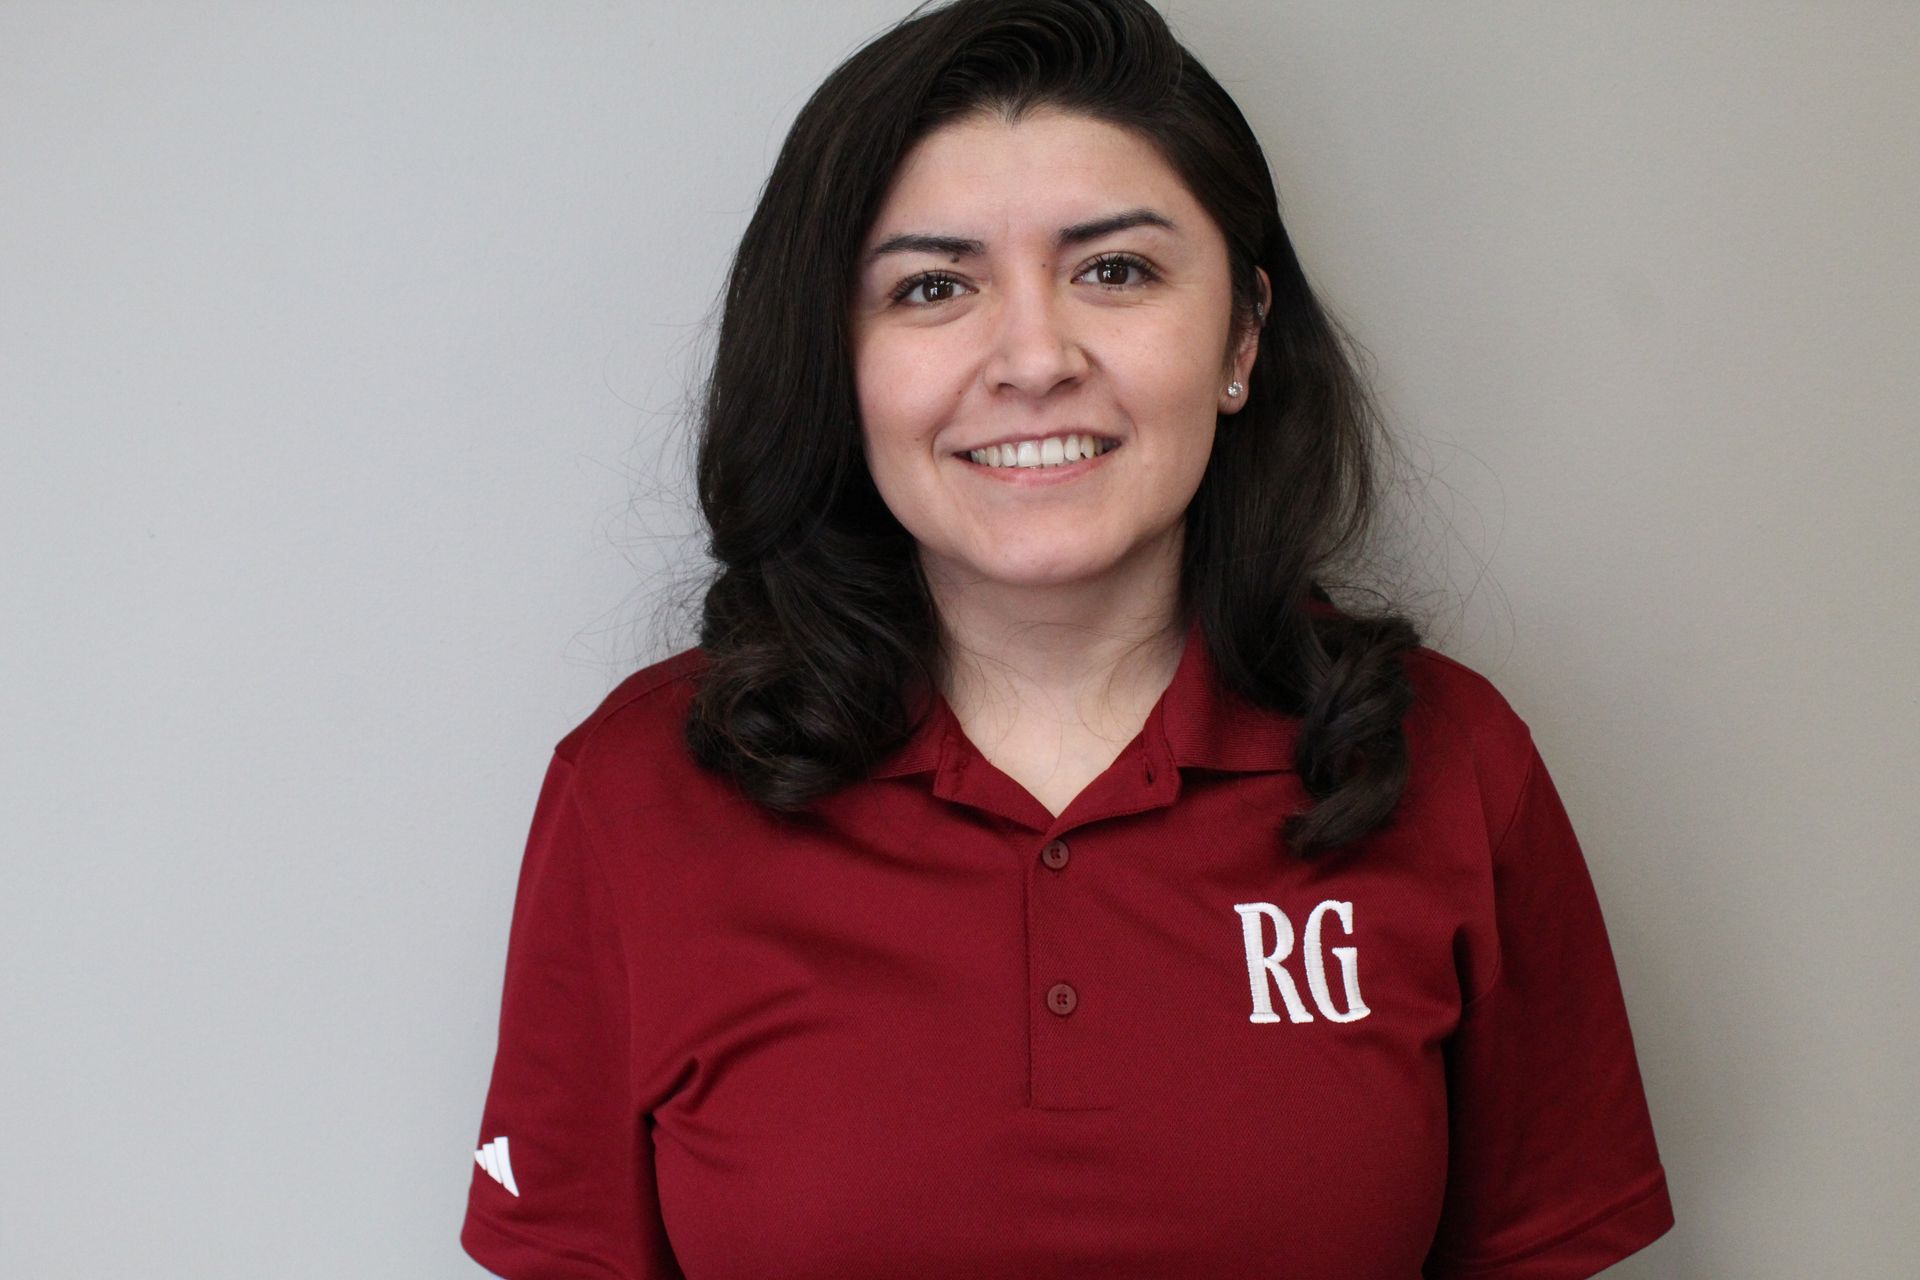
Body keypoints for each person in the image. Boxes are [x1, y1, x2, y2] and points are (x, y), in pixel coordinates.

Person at [460, 1, 1675, 1276]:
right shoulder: (637, 792)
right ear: (837, 357)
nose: (1033, 358)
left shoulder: (1452, 763)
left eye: (1116, 270)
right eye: (933, 286)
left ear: (1243, 335)